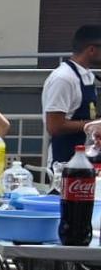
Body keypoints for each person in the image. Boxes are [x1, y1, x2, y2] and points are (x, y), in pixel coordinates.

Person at [41, 25, 101, 165]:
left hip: (88, 159)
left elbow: (87, 116)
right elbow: (54, 126)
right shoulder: (64, 78)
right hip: (65, 163)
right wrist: (93, 125)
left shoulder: (88, 76)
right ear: (91, 49)